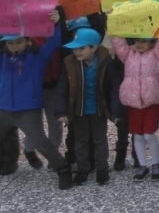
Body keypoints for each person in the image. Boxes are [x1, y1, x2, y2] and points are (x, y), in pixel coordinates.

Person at [0, 12, 73, 190]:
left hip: (27, 109)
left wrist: (56, 24)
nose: (14, 46)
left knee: (40, 141)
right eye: (10, 43)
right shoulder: (2, 58)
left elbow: (54, 43)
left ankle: (63, 169)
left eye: (18, 41)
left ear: (28, 41)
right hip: (2, 109)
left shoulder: (37, 57)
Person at [55, 28, 122, 186]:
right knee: (80, 141)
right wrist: (61, 110)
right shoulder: (69, 63)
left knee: (100, 140)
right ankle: (83, 169)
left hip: (99, 110)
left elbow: (114, 88)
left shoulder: (107, 62)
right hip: (78, 110)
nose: (77, 51)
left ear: (94, 48)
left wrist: (116, 112)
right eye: (75, 48)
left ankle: (102, 169)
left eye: (81, 48)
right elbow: (62, 87)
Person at [110, 34, 159, 181]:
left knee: (149, 133)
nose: (140, 44)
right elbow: (118, 42)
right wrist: (112, 21)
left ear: (152, 43)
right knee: (137, 135)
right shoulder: (128, 54)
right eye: (138, 40)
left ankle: (156, 163)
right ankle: (142, 165)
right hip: (133, 101)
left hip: (152, 100)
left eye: (144, 41)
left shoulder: (157, 55)